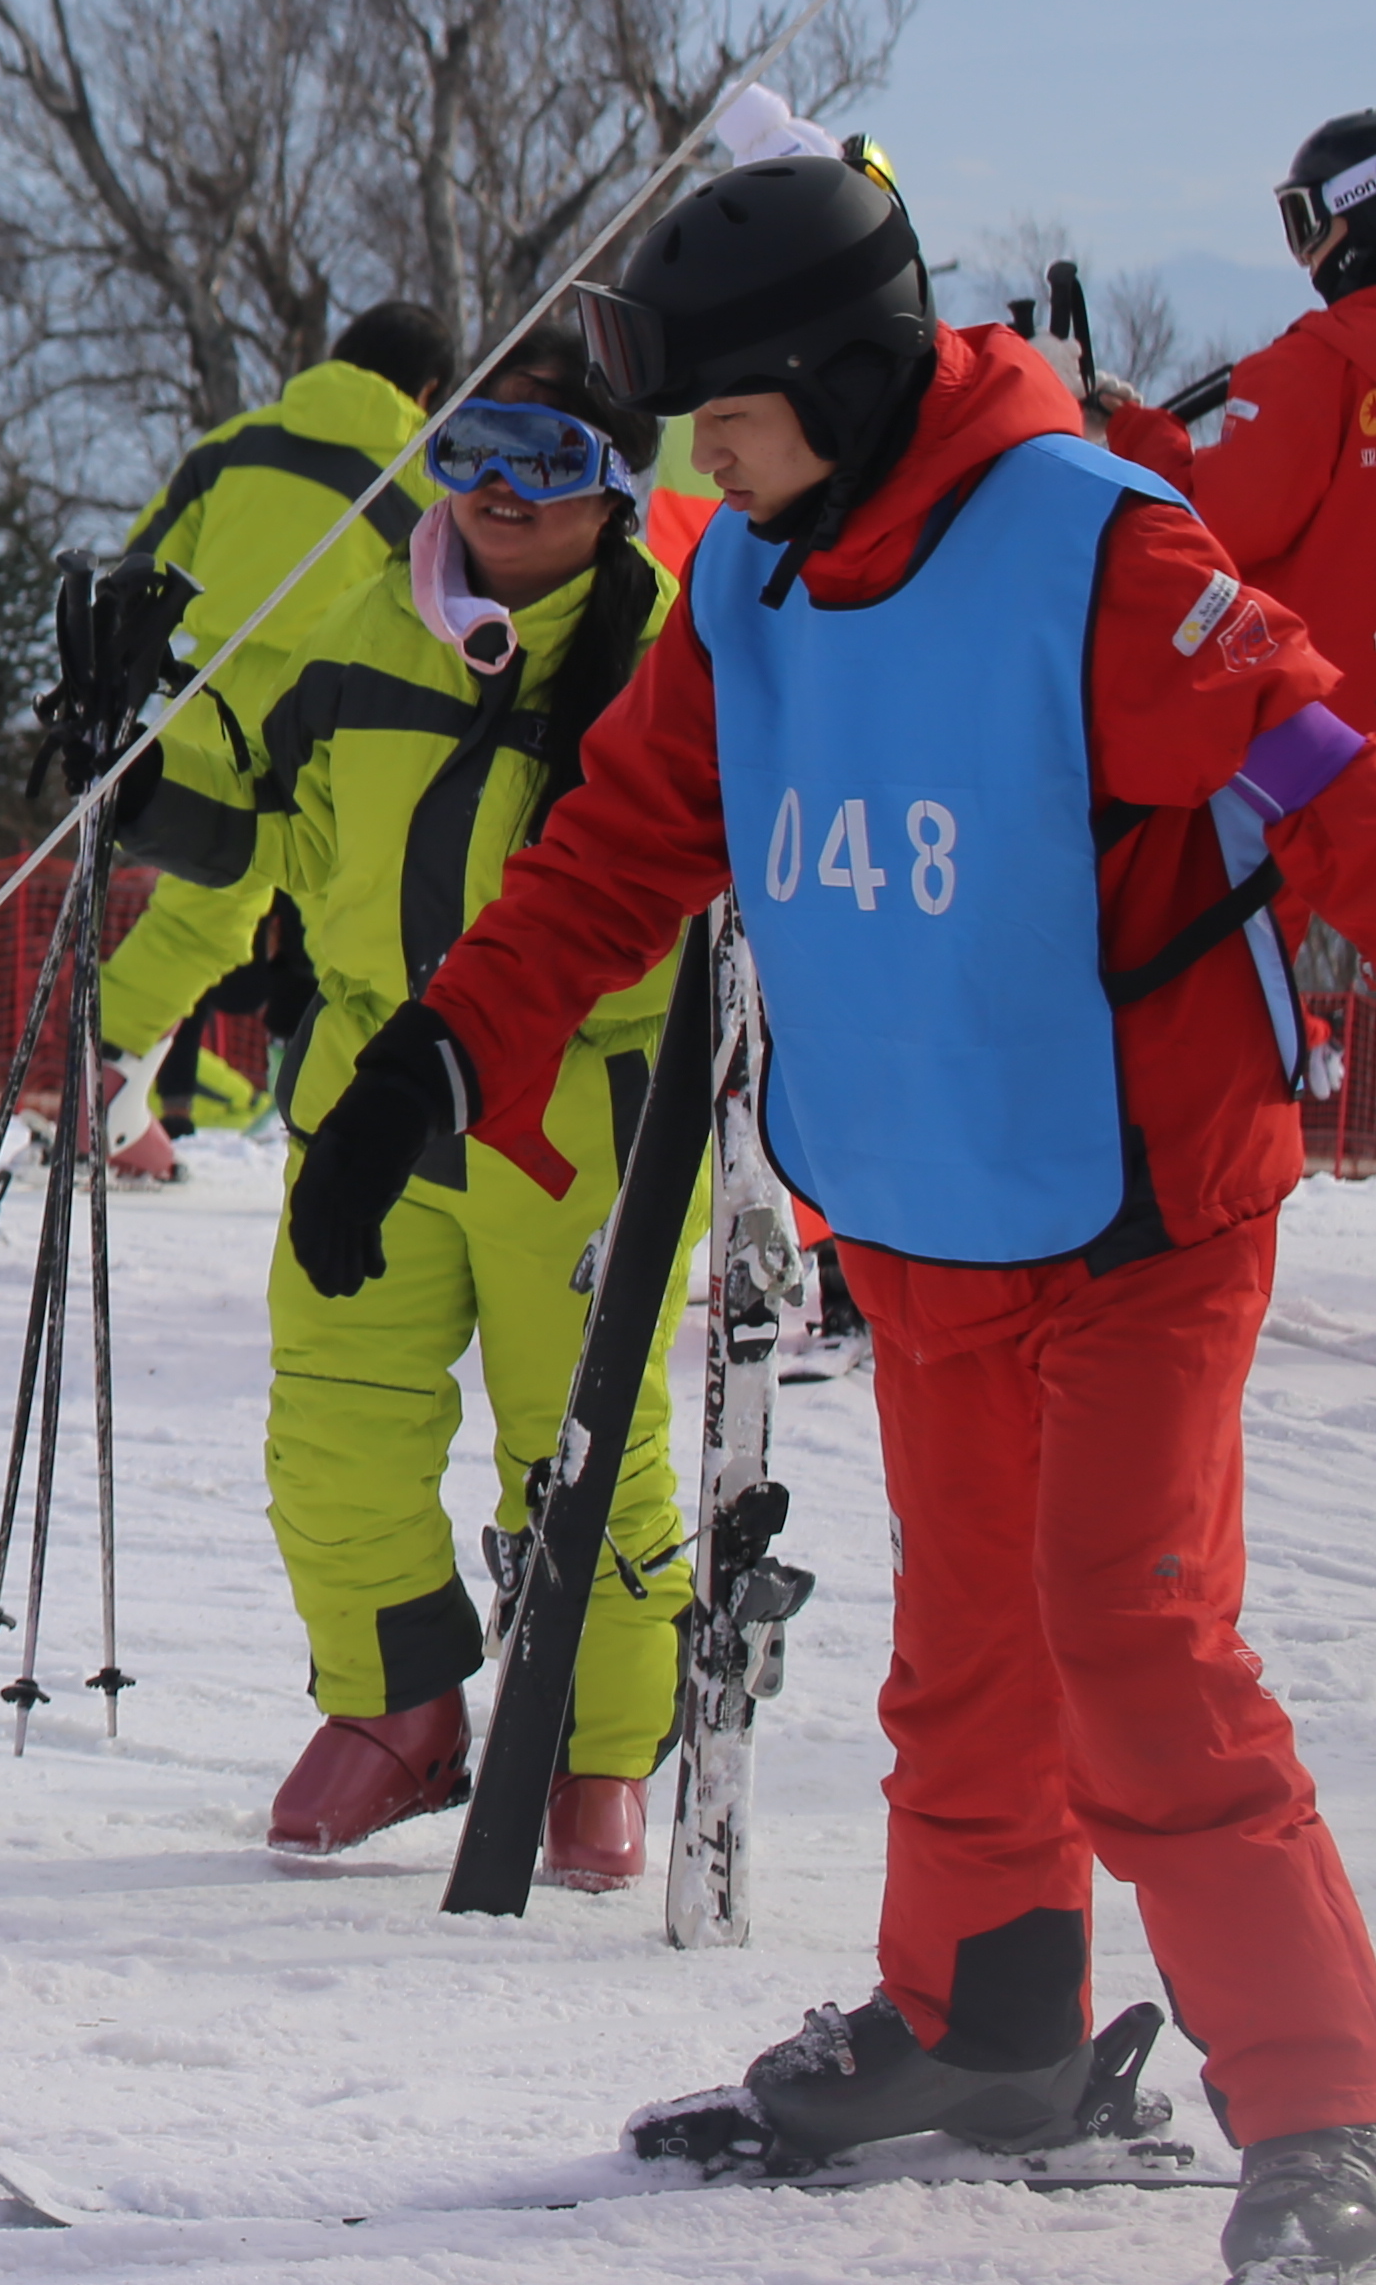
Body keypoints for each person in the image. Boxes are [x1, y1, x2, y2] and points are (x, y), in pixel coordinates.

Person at [297, 148, 1376, 2269]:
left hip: (1141, 1195)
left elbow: (1321, 776)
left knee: (1133, 1635)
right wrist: (444, 1052)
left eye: (730, 419)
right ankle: (986, 2024)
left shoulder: (1101, 559)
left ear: (853, 377)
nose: (701, 461)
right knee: (974, 1645)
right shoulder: (750, 589)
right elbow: (621, 851)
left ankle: (1325, 2103)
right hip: (929, 1192)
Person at [98, 325, 685, 1882]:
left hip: (580, 1108)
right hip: (376, 1094)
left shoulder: (668, 657)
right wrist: (138, 769)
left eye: (545, 457)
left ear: (619, 485)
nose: (496, 486)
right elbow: (279, 838)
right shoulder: (367, 623)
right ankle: (399, 1708)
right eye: (474, 441)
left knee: (580, 1443)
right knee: (336, 1424)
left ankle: (595, 1742)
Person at [107, 302, 453, 1138]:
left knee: (197, 915)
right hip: (338, 714)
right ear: (432, 388)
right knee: (358, 922)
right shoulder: (421, 471)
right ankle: (350, 1124)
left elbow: (140, 562)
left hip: (209, 693)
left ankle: (98, 1087)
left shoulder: (235, 443)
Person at [1111, 109, 1376, 695]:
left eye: (1305, 221)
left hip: (1329, 751)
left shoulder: (1311, 370)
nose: (1305, 254)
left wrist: (1133, 435)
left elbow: (1211, 529)